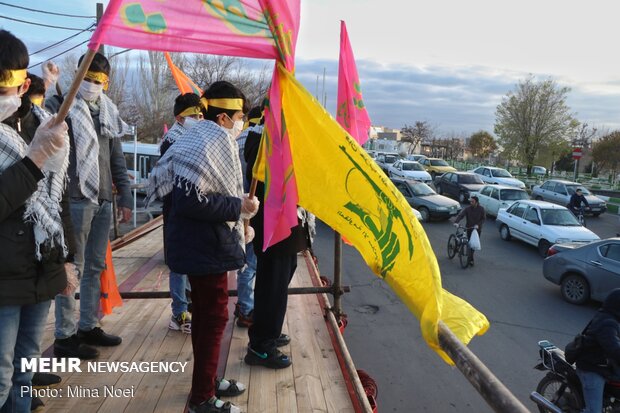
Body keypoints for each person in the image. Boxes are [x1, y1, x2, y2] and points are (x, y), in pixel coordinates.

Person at [149, 81, 257, 413]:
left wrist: (236, 210)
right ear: (224, 117)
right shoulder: (212, 141)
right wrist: (237, 208)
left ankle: (208, 381)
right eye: (239, 115)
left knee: (208, 317)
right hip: (202, 246)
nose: (241, 121)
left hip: (201, 244)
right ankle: (202, 398)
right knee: (213, 318)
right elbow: (192, 202)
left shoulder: (199, 137)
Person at [0, 29, 77, 413]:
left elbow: (56, 198)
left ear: (22, 83)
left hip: (39, 267)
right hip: (3, 275)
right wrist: (33, 161)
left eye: (3, 88)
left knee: (25, 368)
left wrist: (65, 259)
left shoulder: (41, 123)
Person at [46, 52, 133, 360]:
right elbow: (48, 125)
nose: (93, 85)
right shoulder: (63, 105)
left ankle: (88, 324)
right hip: (74, 198)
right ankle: (65, 336)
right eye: (88, 78)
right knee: (72, 267)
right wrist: (51, 87)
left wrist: (124, 194)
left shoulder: (109, 112)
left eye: (99, 80)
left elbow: (116, 157)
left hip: (103, 199)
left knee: (95, 266)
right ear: (78, 76)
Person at [243, 117, 311, 369]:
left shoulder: (273, 139)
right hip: (275, 227)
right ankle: (261, 346)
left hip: (284, 226)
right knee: (272, 286)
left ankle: (268, 332)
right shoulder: (265, 141)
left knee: (277, 283)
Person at [160, 92, 203, 334]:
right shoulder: (172, 140)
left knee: (192, 261)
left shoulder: (195, 137)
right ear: (178, 118)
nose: (197, 118)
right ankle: (179, 312)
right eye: (191, 115)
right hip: (176, 209)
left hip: (193, 209)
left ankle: (191, 307)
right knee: (178, 264)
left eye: (200, 114)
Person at [233, 106, 262, 328]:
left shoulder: (237, 138)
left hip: (237, 205)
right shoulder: (256, 141)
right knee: (250, 264)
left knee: (246, 261)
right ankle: (246, 308)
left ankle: (243, 305)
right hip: (250, 205)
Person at [574, 289, 620, 413]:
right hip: (591, 368)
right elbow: (614, 350)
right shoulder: (607, 324)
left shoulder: (611, 317)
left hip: (604, 364)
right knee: (594, 411)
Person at [453, 195, 485, 266]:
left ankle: (471, 259)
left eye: (472, 202)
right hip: (469, 228)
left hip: (477, 230)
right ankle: (469, 258)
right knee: (468, 243)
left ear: (476, 202)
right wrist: (456, 222)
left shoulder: (481, 209)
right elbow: (461, 215)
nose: (471, 203)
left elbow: (483, 219)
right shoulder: (468, 209)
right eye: (470, 201)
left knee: (473, 244)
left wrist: (478, 225)